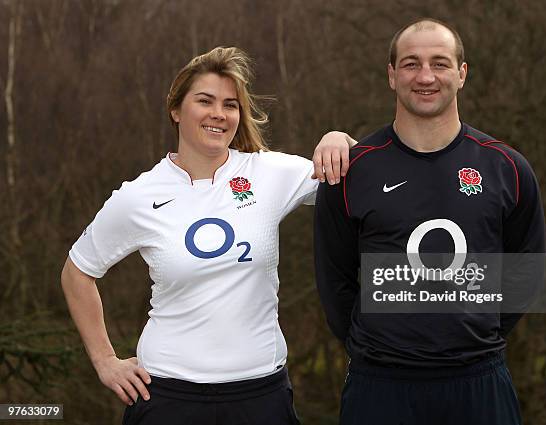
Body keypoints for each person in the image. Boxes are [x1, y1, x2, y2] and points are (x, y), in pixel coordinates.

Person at [61, 46, 354, 425]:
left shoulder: (269, 172)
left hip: (261, 395)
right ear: (176, 110)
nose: (219, 113)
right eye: (205, 101)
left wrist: (337, 138)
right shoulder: (139, 195)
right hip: (168, 396)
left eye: (230, 105)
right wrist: (104, 361)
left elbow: (348, 175)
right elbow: (77, 271)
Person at [314, 18, 545, 425]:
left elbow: (525, 271)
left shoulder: (506, 166)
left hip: (479, 381)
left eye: (439, 63)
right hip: (380, 387)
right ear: (391, 75)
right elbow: (335, 279)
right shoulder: (352, 171)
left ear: (461, 73)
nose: (425, 76)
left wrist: (478, 335)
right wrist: (375, 346)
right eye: (410, 64)